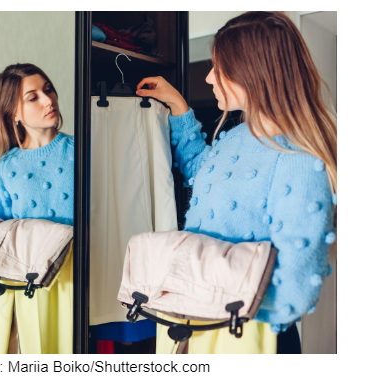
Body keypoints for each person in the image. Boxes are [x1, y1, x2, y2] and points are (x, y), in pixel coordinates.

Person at [135, 11, 336, 354]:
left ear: (252, 71)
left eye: (219, 68)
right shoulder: (235, 136)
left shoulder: (299, 160)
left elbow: (295, 291)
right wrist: (179, 106)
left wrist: (210, 292)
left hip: (246, 336)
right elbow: (203, 172)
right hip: (199, 323)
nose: (210, 77)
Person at [0, 63, 74, 354]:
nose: (49, 100)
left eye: (48, 89)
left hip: (74, 283)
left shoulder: (84, 151)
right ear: (13, 113)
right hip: (20, 287)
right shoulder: (2, 168)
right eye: (33, 97)